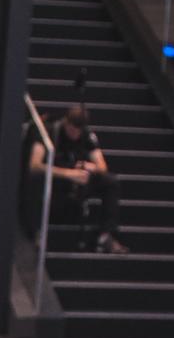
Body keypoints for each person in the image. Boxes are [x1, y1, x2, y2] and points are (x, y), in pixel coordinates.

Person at [28, 106, 130, 254]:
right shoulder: (50, 131)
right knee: (38, 182)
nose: (75, 134)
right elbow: (34, 166)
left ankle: (105, 235)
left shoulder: (86, 135)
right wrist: (68, 173)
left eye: (79, 131)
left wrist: (89, 167)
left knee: (110, 181)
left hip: (77, 183)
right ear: (66, 122)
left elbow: (102, 166)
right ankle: (37, 232)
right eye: (72, 130)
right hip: (55, 182)